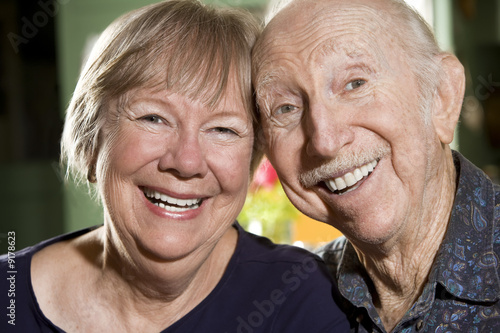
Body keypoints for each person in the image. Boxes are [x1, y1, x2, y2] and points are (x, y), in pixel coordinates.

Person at [0, 1, 350, 332]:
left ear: (251, 160)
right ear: (92, 140)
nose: (186, 162)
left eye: (223, 129)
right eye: (154, 118)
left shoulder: (302, 302)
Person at [252, 0, 500, 331]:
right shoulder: (293, 303)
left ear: (442, 95)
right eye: (285, 108)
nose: (324, 140)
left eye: (355, 84)